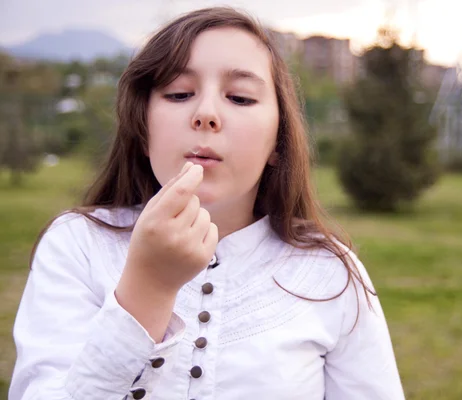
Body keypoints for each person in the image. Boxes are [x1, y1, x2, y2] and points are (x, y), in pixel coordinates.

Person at [9, 7, 405, 400]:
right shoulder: (76, 245)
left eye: (240, 97)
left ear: (278, 142)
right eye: (180, 93)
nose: (207, 114)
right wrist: (147, 287)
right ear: (142, 128)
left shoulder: (330, 274)